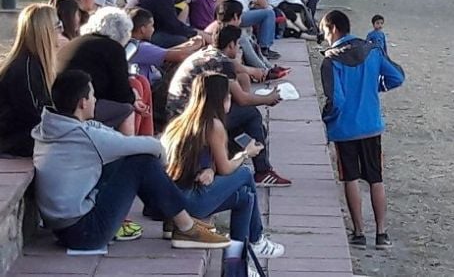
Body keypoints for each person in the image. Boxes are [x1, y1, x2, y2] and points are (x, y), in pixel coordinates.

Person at [32, 70, 231, 251]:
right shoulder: (86, 136)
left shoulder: (53, 127)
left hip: (62, 228)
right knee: (142, 162)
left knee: (129, 160)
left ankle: (174, 218)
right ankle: (186, 227)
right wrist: (161, 170)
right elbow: (153, 147)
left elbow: (114, 141)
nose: (95, 100)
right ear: (82, 103)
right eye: (92, 95)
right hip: (85, 232)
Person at [162, 73, 285, 267]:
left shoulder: (182, 121)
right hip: (190, 202)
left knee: (245, 196)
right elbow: (227, 169)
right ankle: (256, 239)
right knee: (244, 173)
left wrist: (209, 170)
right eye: (229, 97)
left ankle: (237, 264)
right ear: (221, 99)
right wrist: (246, 154)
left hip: (173, 202)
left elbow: (192, 162)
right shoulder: (213, 124)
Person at [319, 10, 405, 250]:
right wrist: (376, 88)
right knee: (376, 179)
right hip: (371, 126)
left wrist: (327, 119)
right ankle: (382, 233)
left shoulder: (331, 60)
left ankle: (359, 232)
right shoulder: (372, 51)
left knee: (350, 179)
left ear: (334, 28)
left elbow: (335, 100)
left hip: (345, 129)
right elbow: (397, 76)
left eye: (325, 31)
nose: (325, 37)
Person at [167, 26, 291, 187]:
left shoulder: (208, 53)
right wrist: (269, 98)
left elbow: (235, 67)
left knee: (252, 128)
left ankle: (225, 161)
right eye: (238, 45)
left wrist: (251, 70)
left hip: (181, 113)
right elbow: (242, 100)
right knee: (251, 114)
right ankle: (262, 171)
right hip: (189, 116)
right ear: (231, 45)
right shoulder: (221, 63)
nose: (240, 49)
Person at [57, 8, 141, 135]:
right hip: (79, 106)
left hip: (58, 102)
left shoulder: (77, 42)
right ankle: (129, 150)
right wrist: (134, 95)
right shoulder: (113, 48)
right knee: (127, 110)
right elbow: (123, 96)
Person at [0, 5, 57, 157]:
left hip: (21, 140)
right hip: (13, 146)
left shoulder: (32, 63)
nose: (61, 32)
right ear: (45, 32)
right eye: (58, 26)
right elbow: (34, 115)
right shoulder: (24, 68)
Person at [205, 0, 290, 80]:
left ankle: (269, 67)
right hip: (217, 60)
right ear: (235, 16)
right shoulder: (220, 28)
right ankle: (264, 71)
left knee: (249, 38)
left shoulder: (226, 26)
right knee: (243, 40)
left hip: (225, 57)